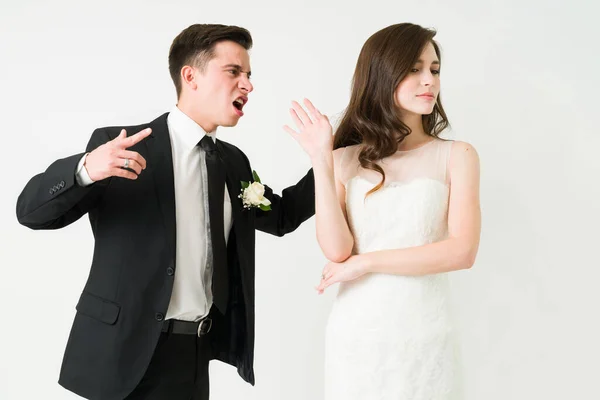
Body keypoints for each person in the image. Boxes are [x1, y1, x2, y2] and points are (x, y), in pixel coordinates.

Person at [16, 23, 314, 400]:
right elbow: (30, 212)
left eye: (249, 75)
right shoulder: (120, 146)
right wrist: (86, 169)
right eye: (234, 72)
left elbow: (282, 216)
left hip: (191, 358)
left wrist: (330, 161)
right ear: (190, 76)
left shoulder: (233, 162)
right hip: (119, 356)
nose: (248, 85)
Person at [285, 22, 481, 399]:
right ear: (382, 73)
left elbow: (462, 251)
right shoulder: (343, 159)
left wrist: (367, 263)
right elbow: (337, 251)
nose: (429, 81)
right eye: (414, 69)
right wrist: (322, 161)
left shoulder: (457, 156)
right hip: (357, 333)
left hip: (426, 329)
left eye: (434, 70)